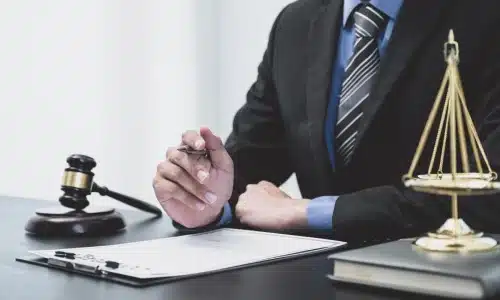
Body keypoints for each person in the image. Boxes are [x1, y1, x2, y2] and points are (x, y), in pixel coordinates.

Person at [152, 0, 500, 243]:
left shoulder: (486, 20)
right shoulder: (296, 24)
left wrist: (307, 213)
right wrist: (205, 201)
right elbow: (248, 167)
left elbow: (488, 197)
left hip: (441, 279)